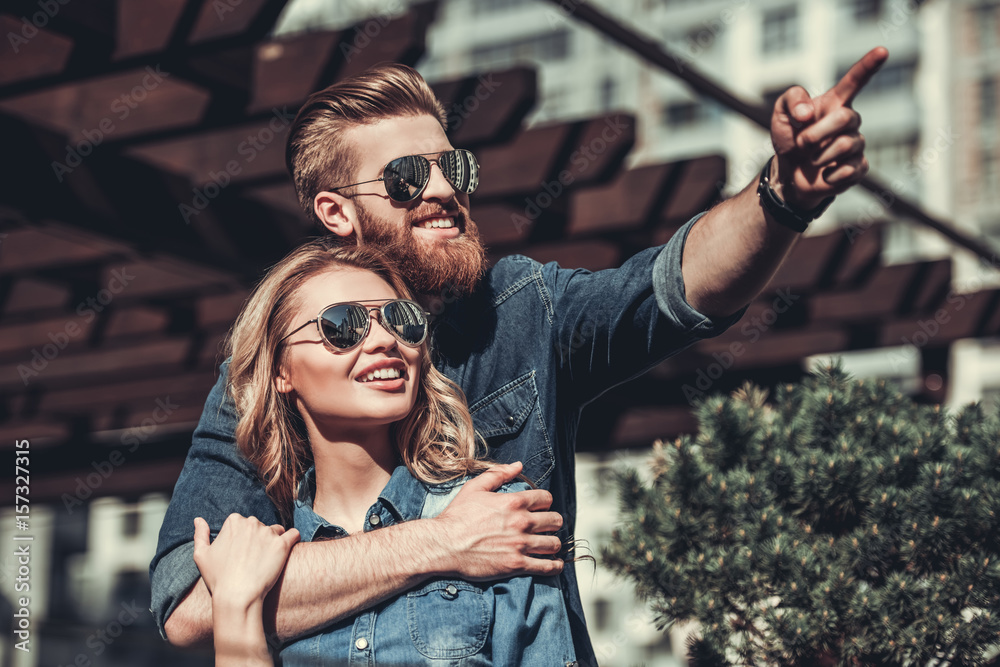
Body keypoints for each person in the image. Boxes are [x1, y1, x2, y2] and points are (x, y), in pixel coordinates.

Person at [152, 50, 887, 666]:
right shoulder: (263, 372)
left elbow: (671, 288)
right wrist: (441, 542)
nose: (443, 191)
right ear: (337, 213)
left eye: (454, 169)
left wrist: (781, 198)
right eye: (407, 179)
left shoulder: (525, 305)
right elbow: (192, 604)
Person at [191, 242, 578, 665]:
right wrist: (234, 607)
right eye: (342, 326)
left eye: (401, 321)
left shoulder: (497, 519)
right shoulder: (256, 561)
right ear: (282, 370)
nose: (384, 340)